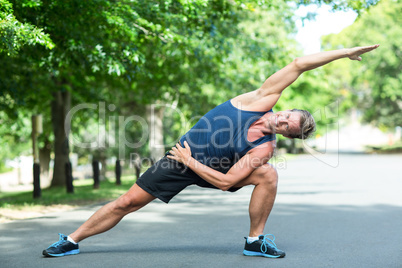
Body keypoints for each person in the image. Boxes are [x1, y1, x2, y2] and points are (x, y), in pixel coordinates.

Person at [43, 45, 379, 258]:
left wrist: (192, 162)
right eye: (287, 114)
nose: (282, 119)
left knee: (268, 174)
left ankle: (254, 241)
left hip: (214, 169)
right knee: (126, 202)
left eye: (288, 126)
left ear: (288, 135)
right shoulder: (259, 99)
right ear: (284, 108)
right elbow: (298, 64)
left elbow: (224, 183)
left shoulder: (263, 148)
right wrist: (343, 52)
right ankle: (71, 240)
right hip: (180, 160)